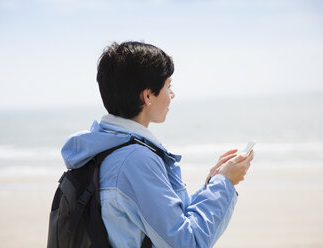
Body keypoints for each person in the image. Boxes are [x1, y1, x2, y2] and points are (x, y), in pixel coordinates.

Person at [61, 41, 254, 248]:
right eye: (168, 86)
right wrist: (224, 184)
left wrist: (212, 183)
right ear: (147, 96)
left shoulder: (105, 145)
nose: (172, 94)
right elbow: (187, 242)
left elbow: (173, 221)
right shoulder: (134, 160)